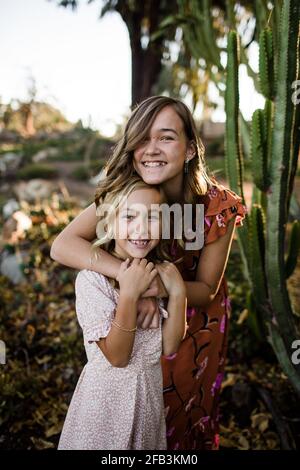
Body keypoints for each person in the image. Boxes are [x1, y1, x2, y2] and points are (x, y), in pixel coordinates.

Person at [51, 95, 247, 450]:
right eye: (143, 137)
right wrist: (133, 279)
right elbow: (63, 246)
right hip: (139, 322)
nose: (151, 149)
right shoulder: (126, 191)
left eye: (166, 137)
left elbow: (207, 289)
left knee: (179, 427)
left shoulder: (217, 207)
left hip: (193, 324)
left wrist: (155, 286)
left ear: (189, 149)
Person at [58, 176, 187, 450]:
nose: (141, 229)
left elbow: (170, 345)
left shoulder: (159, 272)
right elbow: (117, 357)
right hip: (105, 409)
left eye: (152, 217)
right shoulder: (93, 280)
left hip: (147, 401)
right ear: (108, 223)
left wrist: (178, 292)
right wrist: (129, 294)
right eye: (129, 217)